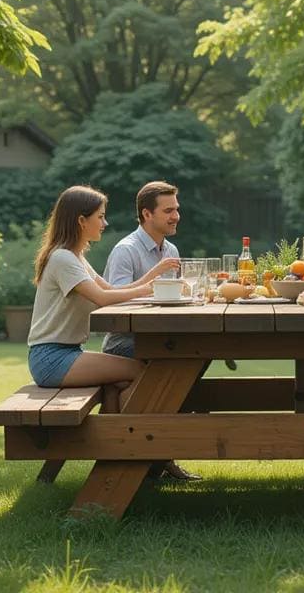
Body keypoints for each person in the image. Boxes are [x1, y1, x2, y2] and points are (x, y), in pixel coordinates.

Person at [26, 186, 180, 416]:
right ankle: (119, 436)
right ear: (81, 220)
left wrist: (153, 277)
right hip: (52, 358)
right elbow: (102, 299)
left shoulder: (76, 257)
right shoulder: (63, 259)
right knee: (143, 371)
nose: (104, 223)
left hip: (66, 353)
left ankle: (113, 436)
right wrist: (147, 290)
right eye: (100, 217)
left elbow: (112, 289)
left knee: (123, 379)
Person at [99, 181, 202, 482]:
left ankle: (157, 458)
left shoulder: (170, 249)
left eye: (177, 209)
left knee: (193, 365)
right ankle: (146, 459)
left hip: (163, 341)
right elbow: (114, 304)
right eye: (168, 210)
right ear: (147, 214)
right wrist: (155, 277)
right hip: (124, 345)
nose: (176, 216)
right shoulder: (126, 251)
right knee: (179, 371)